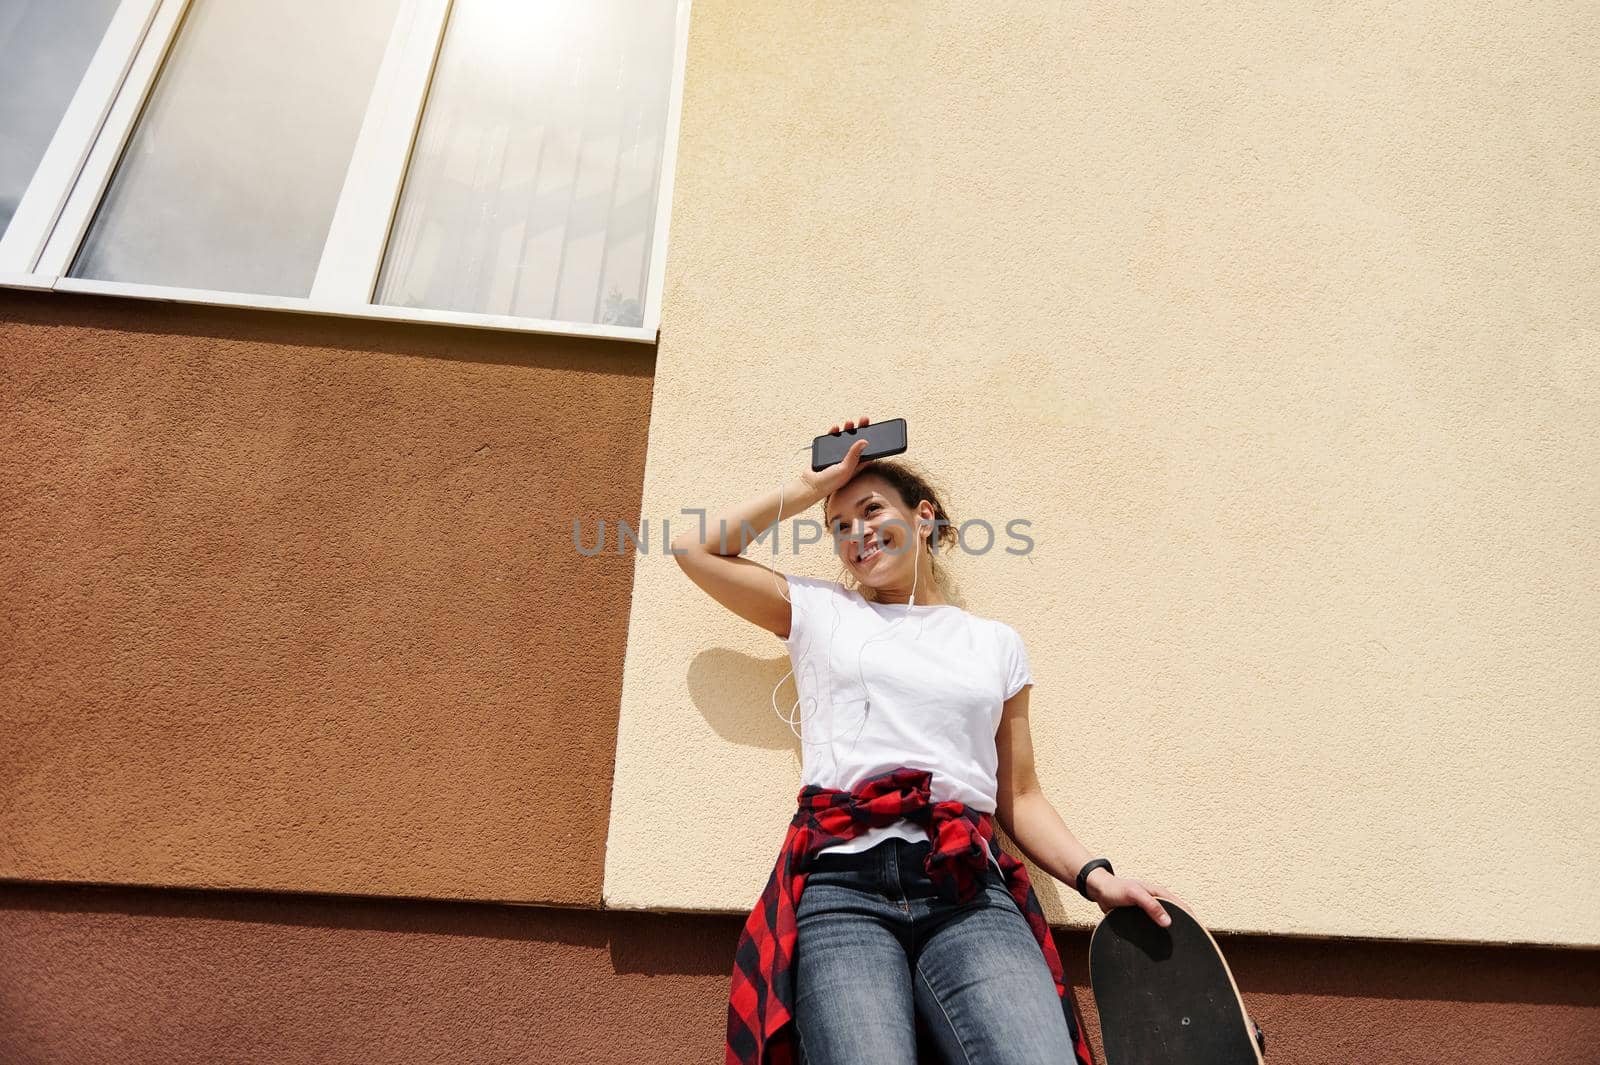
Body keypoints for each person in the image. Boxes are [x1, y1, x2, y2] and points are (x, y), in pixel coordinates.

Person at [674, 415, 1187, 1065]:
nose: (856, 533)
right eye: (839, 526)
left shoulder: (993, 644)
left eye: (870, 509)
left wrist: (1097, 878)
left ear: (924, 517)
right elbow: (694, 549)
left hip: (967, 887)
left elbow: (1020, 795)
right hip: (843, 888)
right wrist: (809, 487)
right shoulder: (822, 612)